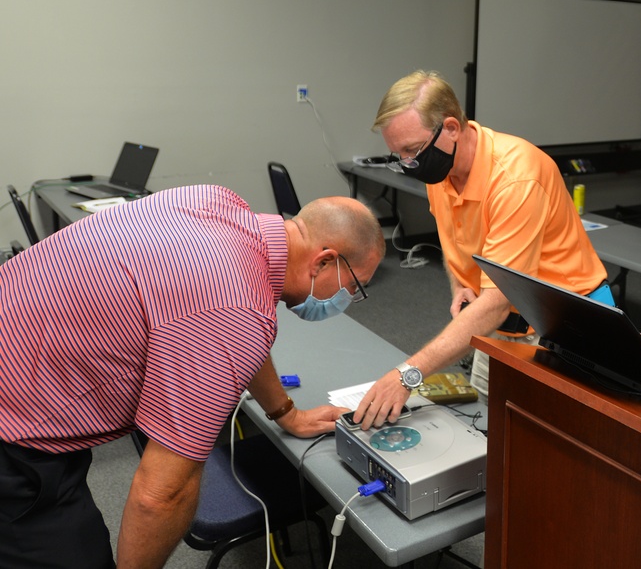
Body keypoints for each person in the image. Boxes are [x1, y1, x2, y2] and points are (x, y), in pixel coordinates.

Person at [0, 184, 385, 568]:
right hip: (14, 434)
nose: (349, 299)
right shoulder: (236, 309)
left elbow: (232, 325)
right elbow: (161, 495)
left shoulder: (219, 204)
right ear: (323, 261)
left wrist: (286, 413)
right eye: (354, 286)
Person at [353, 69, 612, 429]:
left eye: (412, 151)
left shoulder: (516, 177)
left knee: (558, 445)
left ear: (452, 128)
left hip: (569, 328)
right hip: (502, 325)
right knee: (491, 431)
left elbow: (496, 301)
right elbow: (456, 241)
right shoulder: (439, 171)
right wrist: (460, 283)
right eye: (398, 156)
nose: (408, 164)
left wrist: (407, 374)